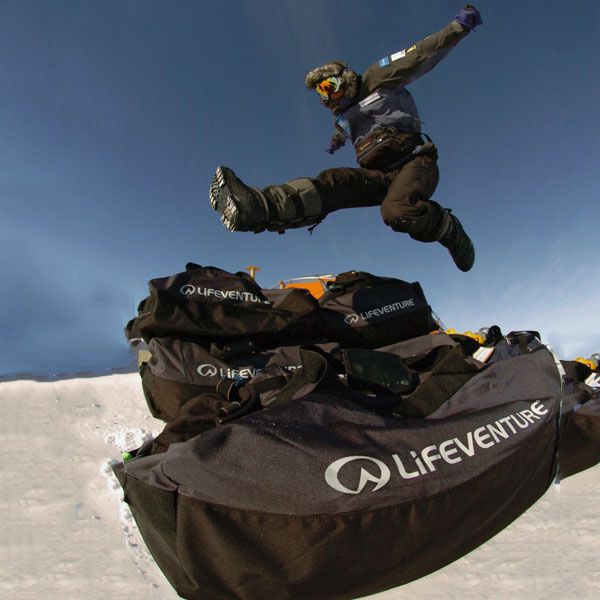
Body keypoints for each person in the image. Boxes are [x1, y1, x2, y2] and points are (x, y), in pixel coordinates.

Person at [209, 5, 483, 272]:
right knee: (333, 181)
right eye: (323, 93)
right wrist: (334, 144)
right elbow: (341, 131)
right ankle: (259, 207)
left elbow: (420, 54)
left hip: (414, 162)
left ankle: (451, 230)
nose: (330, 95)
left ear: (345, 78)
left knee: (396, 211)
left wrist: (456, 28)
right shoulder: (342, 117)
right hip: (379, 176)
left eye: (331, 86)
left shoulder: (377, 78)